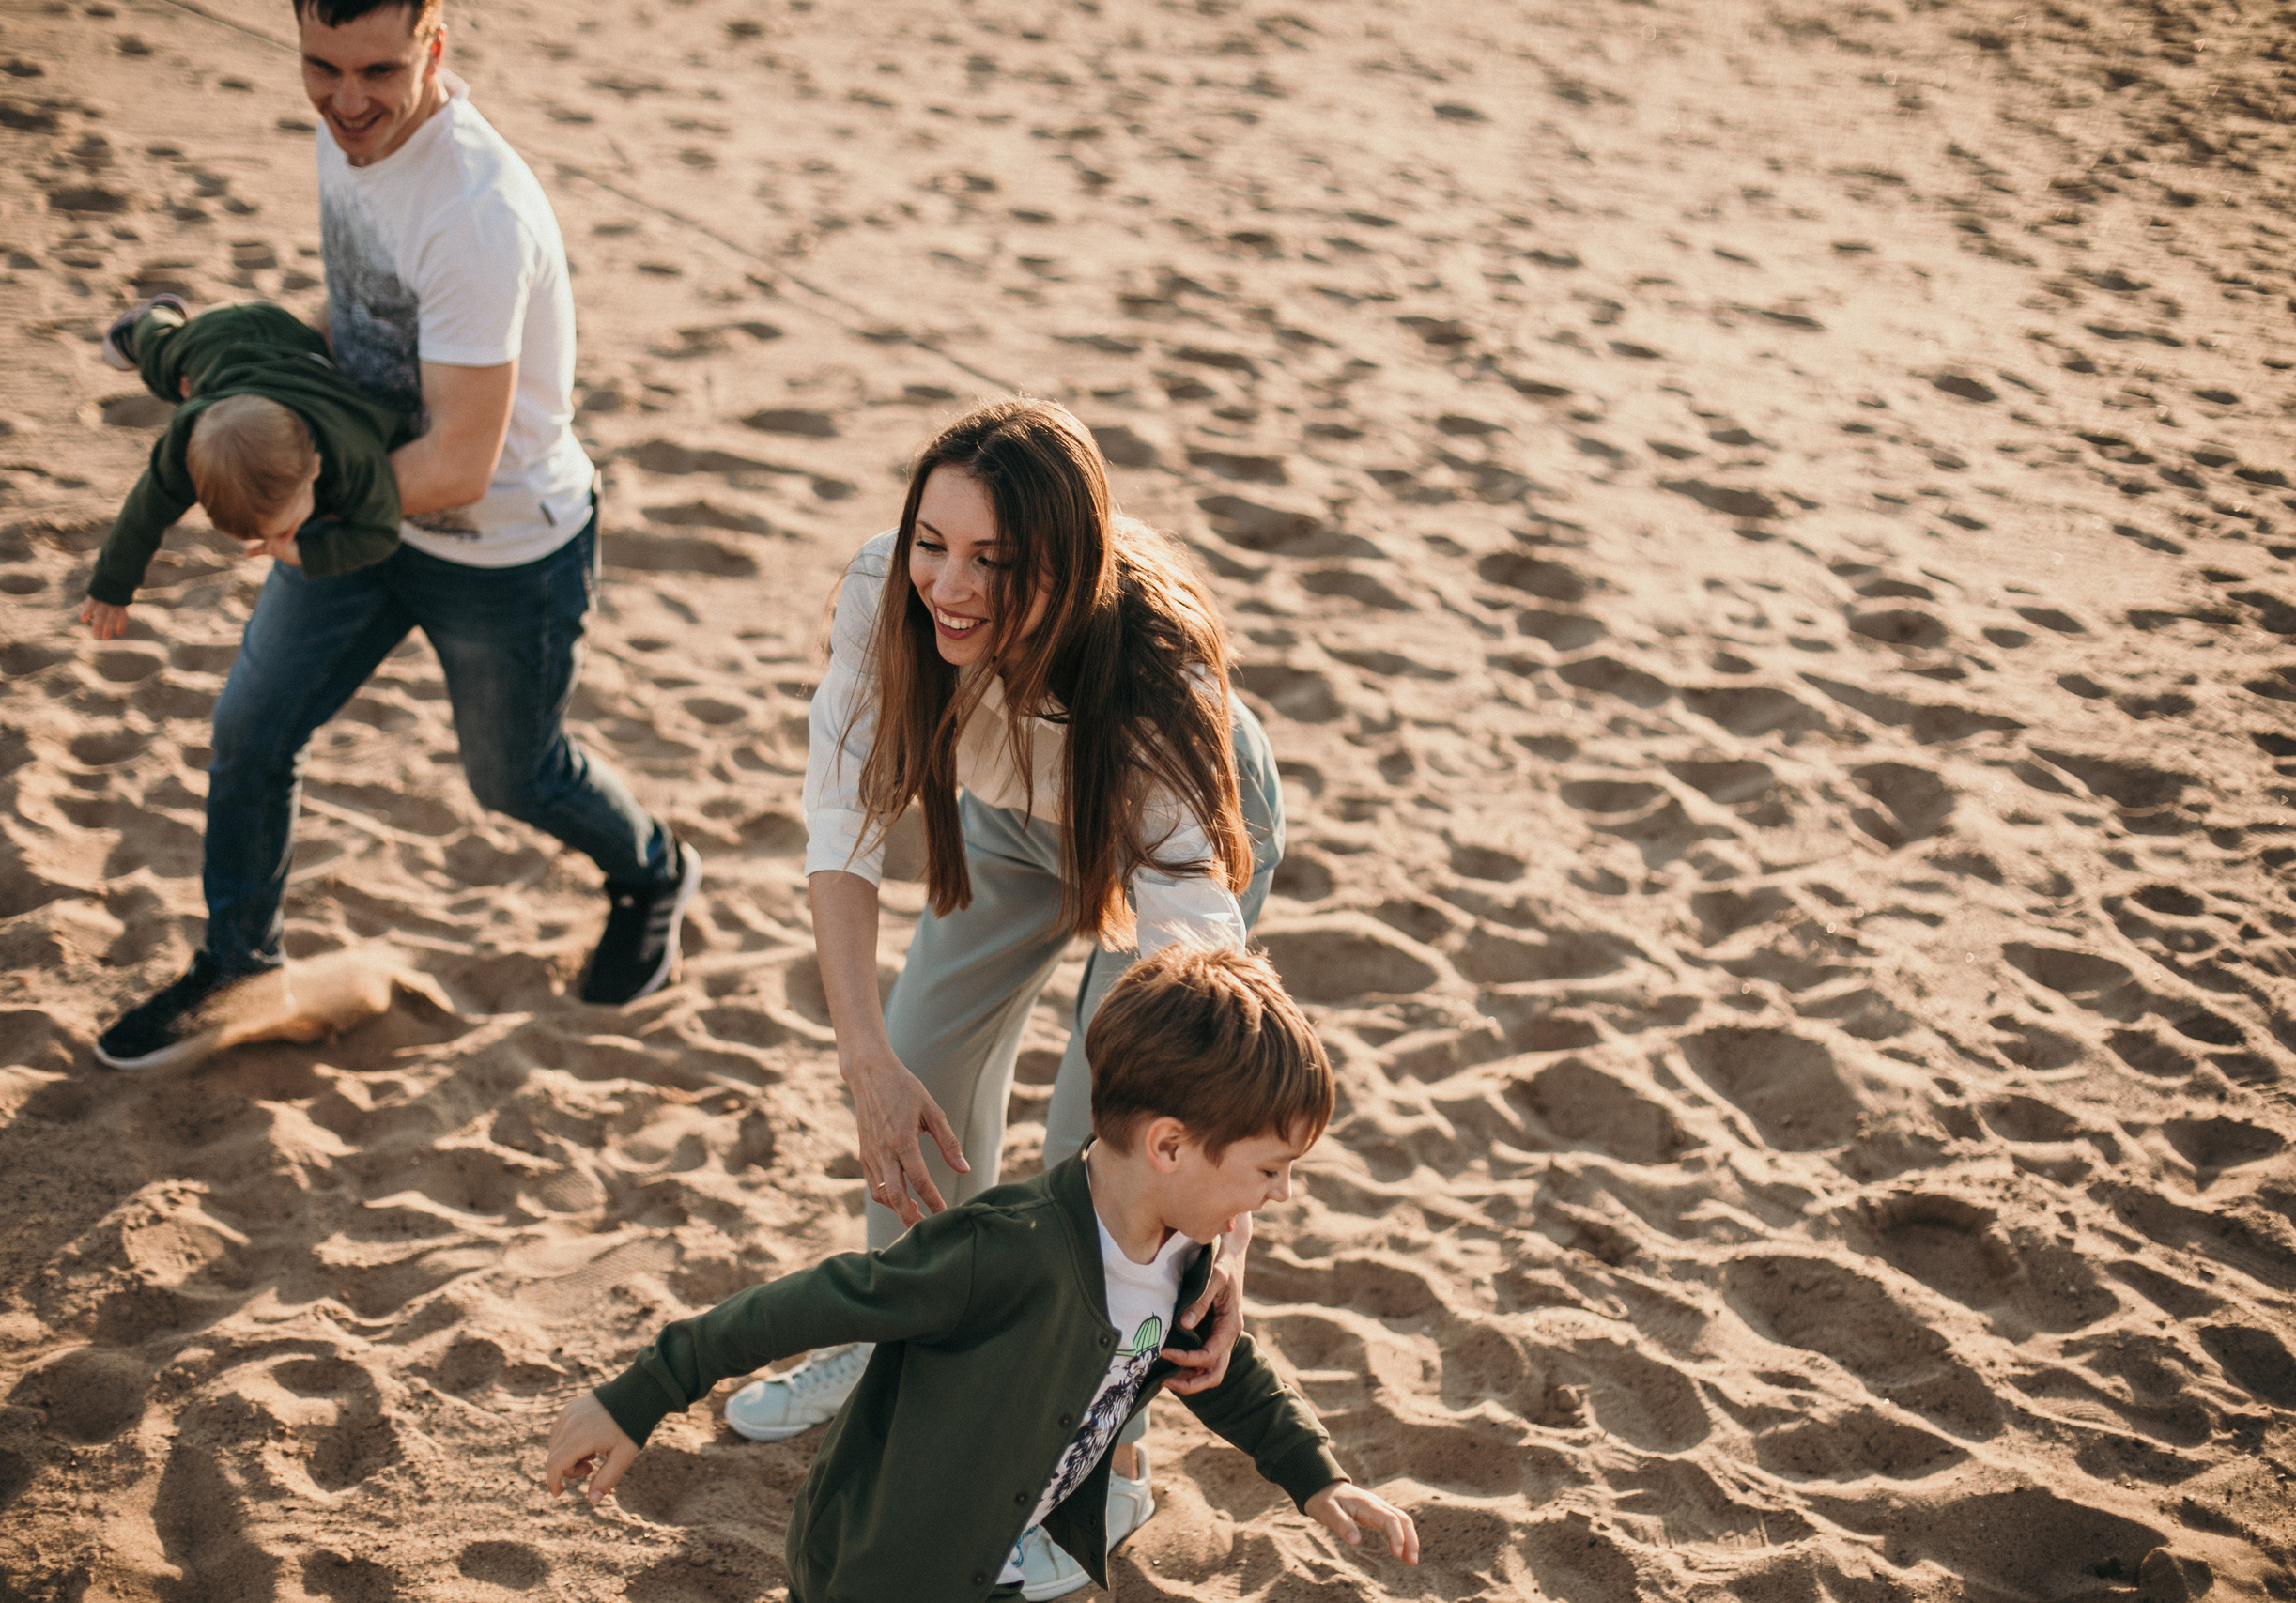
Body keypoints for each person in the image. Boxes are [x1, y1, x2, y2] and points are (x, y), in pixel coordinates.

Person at [728, 398, 1286, 1592]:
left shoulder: (1157, 698)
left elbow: (1213, 1036)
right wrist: (867, 1064)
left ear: (1069, 570)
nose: (951, 586)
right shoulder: (884, 591)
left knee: (1101, 1145)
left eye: (996, 562)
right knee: (920, 1057)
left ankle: (1105, 1463)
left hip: (1145, 817)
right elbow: (843, 834)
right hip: (1011, 819)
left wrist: (1221, 1244)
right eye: (936, 541)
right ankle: (902, 1347)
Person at [91, 0, 693, 1071]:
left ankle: (652, 873)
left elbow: (461, 459)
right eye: (321, 68)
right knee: (252, 727)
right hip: (358, 512)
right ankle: (238, 962)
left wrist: (299, 521)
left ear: (435, 47)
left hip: (502, 548)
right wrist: (247, 360)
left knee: (514, 778)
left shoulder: (474, 213)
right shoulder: (351, 136)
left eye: (377, 70)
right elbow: (363, 314)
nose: (347, 100)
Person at [545, 946, 1418, 1603]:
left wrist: (1317, 1475)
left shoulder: (1183, 1250)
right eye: (1271, 1169)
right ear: (1169, 1145)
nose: (1285, 1193)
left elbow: (1220, 1371)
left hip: (998, 1553)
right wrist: (645, 1390)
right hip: (881, 1569)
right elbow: (809, 1304)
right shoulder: (999, 1252)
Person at [78, 294, 408, 643]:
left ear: (316, 466)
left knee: (166, 364)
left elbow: (381, 533)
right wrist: (111, 585)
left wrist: (304, 552)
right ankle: (149, 323)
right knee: (167, 370)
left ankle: (150, 323)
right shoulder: (183, 447)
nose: (283, 538)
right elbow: (146, 511)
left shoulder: (353, 448)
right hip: (214, 348)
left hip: (273, 334)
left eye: (289, 527)